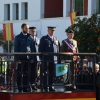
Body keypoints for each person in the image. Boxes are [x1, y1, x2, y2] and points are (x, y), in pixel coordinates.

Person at [39, 26, 60, 91]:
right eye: (51, 30)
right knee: (45, 73)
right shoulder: (44, 38)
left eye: (53, 31)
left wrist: (58, 58)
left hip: (54, 59)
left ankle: (51, 86)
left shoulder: (56, 39)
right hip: (46, 59)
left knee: (52, 73)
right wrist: (41, 58)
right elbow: (40, 50)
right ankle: (45, 86)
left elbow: (58, 49)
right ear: (48, 31)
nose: (52, 32)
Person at [14, 23, 31, 92]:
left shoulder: (29, 37)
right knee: (19, 74)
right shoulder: (18, 37)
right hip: (21, 58)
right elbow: (16, 49)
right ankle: (20, 88)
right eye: (26, 28)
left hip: (28, 58)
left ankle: (25, 87)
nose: (27, 29)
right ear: (22, 28)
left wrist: (32, 57)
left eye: (28, 28)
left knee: (27, 73)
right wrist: (17, 59)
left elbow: (32, 47)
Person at [28, 26, 39, 91]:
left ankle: (33, 83)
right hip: (30, 58)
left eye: (34, 31)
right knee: (29, 72)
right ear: (29, 32)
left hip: (36, 58)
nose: (33, 32)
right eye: (32, 31)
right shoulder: (28, 39)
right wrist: (30, 58)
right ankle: (29, 84)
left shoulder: (37, 39)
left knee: (35, 72)